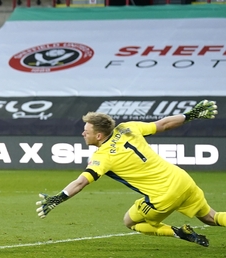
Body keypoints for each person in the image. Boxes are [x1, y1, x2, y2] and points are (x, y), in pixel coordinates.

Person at [36, 100, 222, 247]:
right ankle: (184, 232)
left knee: (130, 222)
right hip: (182, 180)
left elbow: (80, 182)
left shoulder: (103, 157)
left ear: (99, 136)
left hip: (163, 196)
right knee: (211, 218)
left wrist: (56, 199)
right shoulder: (128, 127)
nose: (83, 134)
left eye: (86, 131)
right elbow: (164, 124)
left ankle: (178, 233)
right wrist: (190, 115)